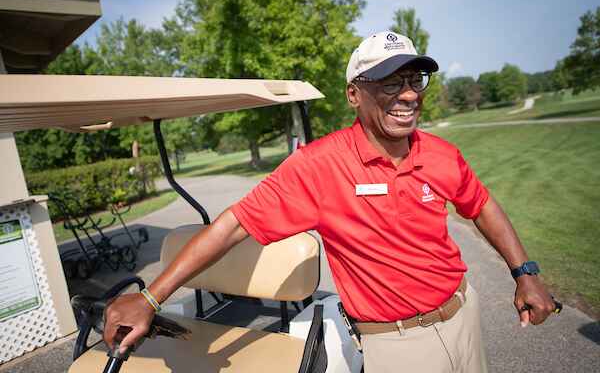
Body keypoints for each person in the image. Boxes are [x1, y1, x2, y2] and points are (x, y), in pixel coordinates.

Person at [104, 31, 556, 372]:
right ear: (353, 94)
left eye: (414, 79)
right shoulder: (318, 167)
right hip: (398, 346)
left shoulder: (441, 154)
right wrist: (151, 296)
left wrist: (524, 272)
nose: (408, 94)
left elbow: (481, 205)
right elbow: (233, 225)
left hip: (464, 314)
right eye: (388, 81)